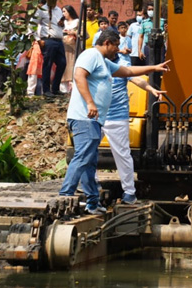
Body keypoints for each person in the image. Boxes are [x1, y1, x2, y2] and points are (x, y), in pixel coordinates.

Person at [59, 30, 170, 215]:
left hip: (96, 120)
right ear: (108, 43)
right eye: (116, 45)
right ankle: (65, 193)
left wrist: (154, 68)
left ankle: (93, 203)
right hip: (84, 117)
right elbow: (79, 76)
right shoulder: (91, 55)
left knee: (90, 160)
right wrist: (90, 102)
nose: (118, 49)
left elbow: (128, 71)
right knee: (83, 156)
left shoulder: (105, 62)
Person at [103, 51, 166, 204]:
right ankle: (90, 187)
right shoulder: (95, 64)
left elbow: (137, 79)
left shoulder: (121, 65)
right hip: (97, 115)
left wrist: (151, 89)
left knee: (122, 154)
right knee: (86, 152)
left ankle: (129, 192)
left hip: (117, 116)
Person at [34, 0, 66, 97]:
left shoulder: (59, 10)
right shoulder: (42, 10)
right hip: (48, 40)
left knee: (62, 63)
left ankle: (55, 88)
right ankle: (46, 90)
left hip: (59, 40)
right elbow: (31, 25)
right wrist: (38, 39)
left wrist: (62, 24)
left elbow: (60, 26)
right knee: (47, 65)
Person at [60, 5, 82, 94]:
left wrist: (73, 32)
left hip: (73, 48)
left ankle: (74, 90)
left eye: (65, 11)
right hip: (63, 47)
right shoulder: (62, 22)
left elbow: (85, 34)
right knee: (63, 68)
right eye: (62, 11)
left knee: (73, 67)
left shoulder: (77, 22)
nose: (63, 13)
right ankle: (63, 90)